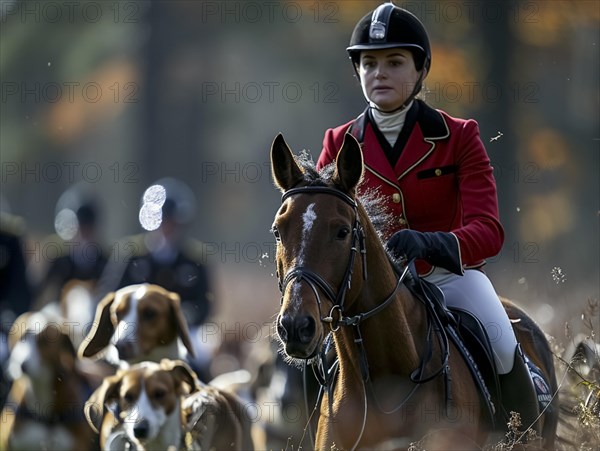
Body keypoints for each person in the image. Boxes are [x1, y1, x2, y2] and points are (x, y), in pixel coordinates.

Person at [316, 1, 544, 436]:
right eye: (369, 63)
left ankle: (523, 437)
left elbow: (488, 231)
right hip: (365, 293)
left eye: (394, 61)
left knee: (499, 337)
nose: (379, 72)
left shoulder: (458, 135)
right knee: (309, 351)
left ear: (420, 70)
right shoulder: (339, 142)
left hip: (447, 278)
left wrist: (430, 243)